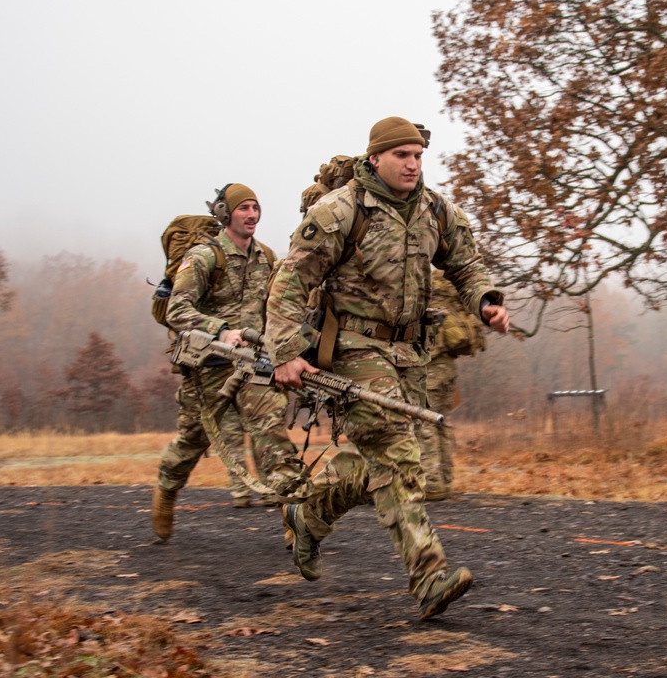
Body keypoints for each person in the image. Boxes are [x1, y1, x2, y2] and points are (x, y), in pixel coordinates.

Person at [266, 116, 510, 621]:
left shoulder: (435, 210)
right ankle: (428, 576)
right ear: (375, 158)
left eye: (418, 155)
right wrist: (286, 352)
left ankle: (309, 516)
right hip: (353, 349)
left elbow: (464, 261)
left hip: (410, 357)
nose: (413, 163)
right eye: (402, 155)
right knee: (398, 459)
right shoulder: (339, 212)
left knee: (387, 464)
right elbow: (290, 282)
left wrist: (484, 299)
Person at [152, 183, 307, 541]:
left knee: (272, 434)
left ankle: (296, 522)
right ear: (225, 214)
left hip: (254, 365)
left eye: (256, 208)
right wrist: (220, 330)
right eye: (244, 208)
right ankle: (165, 490)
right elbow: (177, 309)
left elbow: (281, 308)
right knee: (192, 441)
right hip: (208, 368)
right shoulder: (205, 257)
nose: (252, 214)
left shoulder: (267, 257)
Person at [416, 269, 485, 501]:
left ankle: (431, 482)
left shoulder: (424, 296)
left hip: (431, 369)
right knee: (441, 422)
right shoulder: (448, 297)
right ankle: (444, 480)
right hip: (448, 368)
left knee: (424, 421)